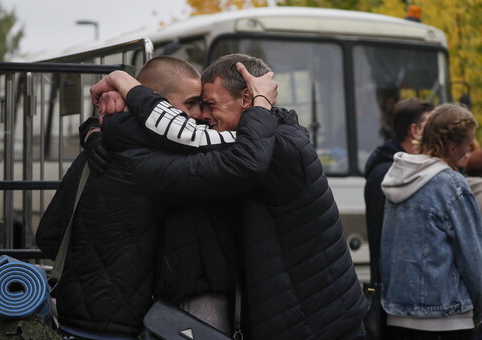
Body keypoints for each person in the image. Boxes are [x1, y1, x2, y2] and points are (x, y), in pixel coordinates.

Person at [93, 53, 368, 340]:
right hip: (302, 320)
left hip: (322, 327)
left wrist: (120, 85)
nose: (202, 115)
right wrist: (98, 128)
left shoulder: (278, 148)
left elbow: (187, 136)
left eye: (210, 104)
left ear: (248, 99)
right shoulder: (259, 137)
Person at [36, 56, 278, 340]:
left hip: (72, 317)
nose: (199, 114)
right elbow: (243, 160)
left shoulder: (98, 148)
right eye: (190, 103)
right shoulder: (155, 162)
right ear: (152, 103)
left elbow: (49, 235)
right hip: (125, 324)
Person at [380, 103, 482, 339]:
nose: (467, 154)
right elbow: (472, 256)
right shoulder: (451, 183)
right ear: (452, 146)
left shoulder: (397, 176)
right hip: (446, 316)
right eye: (466, 147)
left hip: (397, 312)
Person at [363, 98, 433, 338]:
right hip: (398, 299)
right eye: (432, 128)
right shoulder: (391, 175)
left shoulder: (394, 170)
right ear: (415, 131)